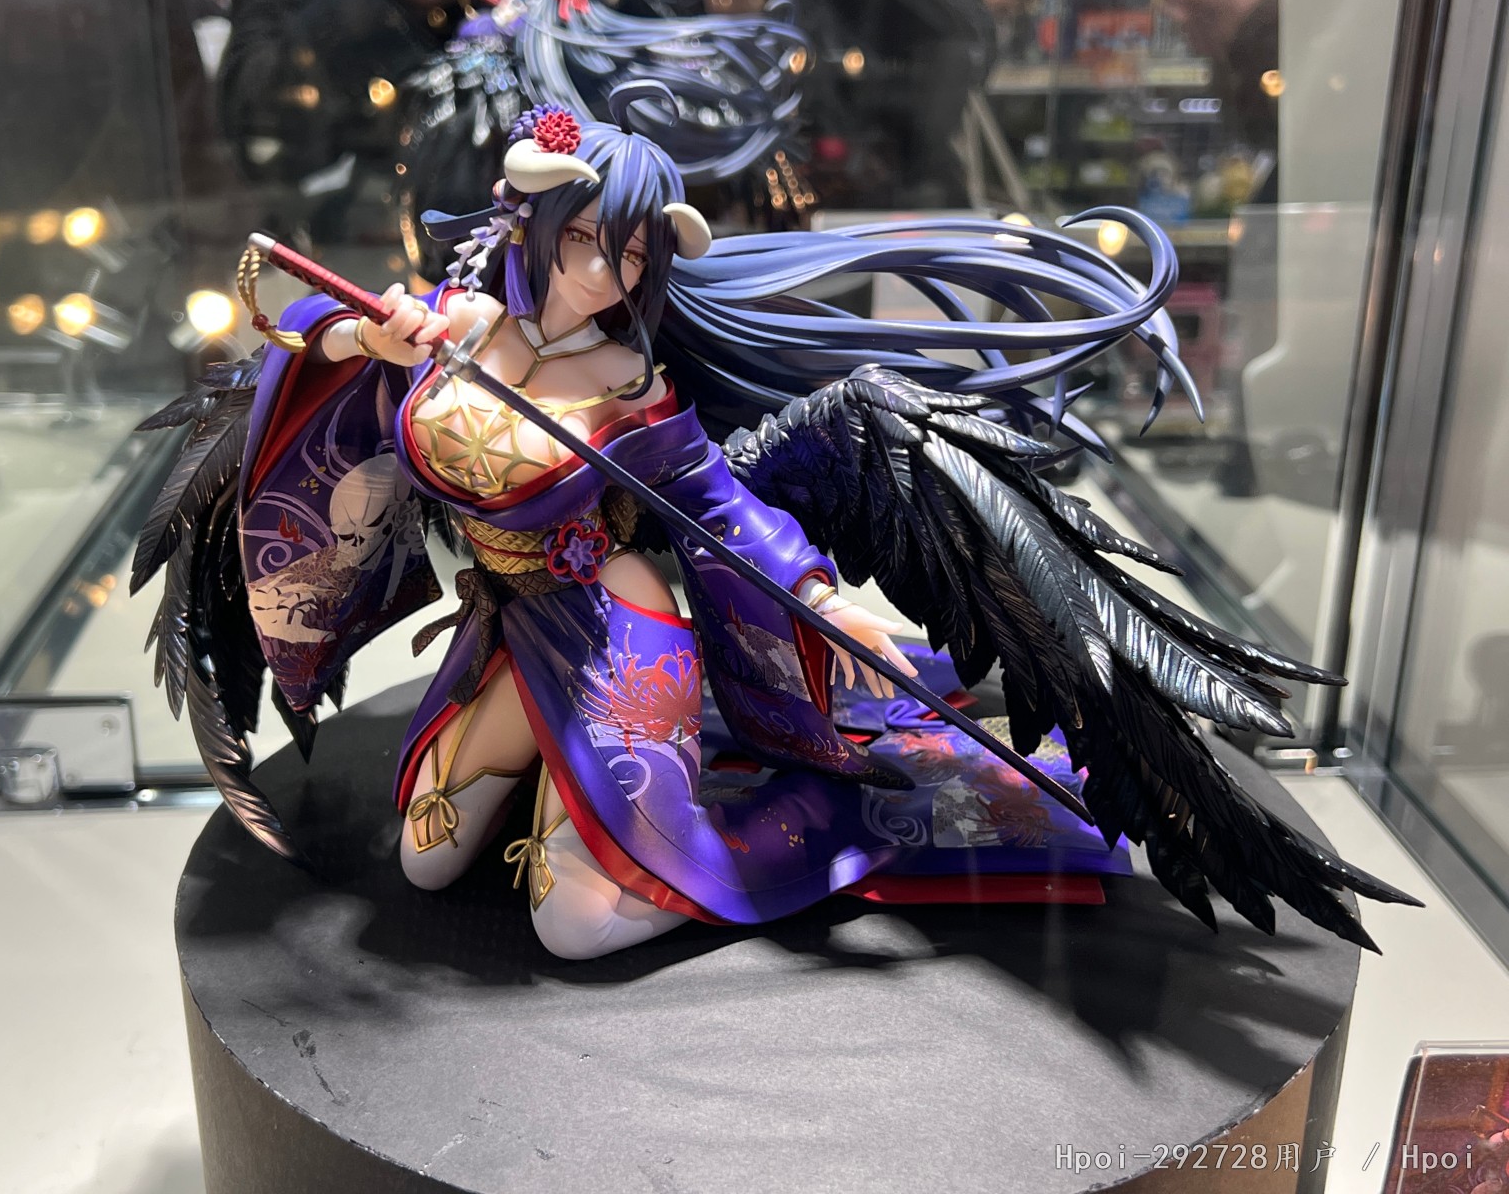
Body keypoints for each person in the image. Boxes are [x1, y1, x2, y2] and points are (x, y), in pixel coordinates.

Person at [138, 84, 1417, 960]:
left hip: (609, 629)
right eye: (588, 245)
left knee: (572, 929)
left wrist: (816, 597)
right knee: (423, 863)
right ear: (533, 225)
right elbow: (293, 331)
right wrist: (369, 338)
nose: (608, 276)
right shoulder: (453, 325)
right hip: (498, 626)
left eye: (631, 257)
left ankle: (778, 827)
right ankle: (548, 796)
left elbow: (718, 506)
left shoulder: (630, 386)